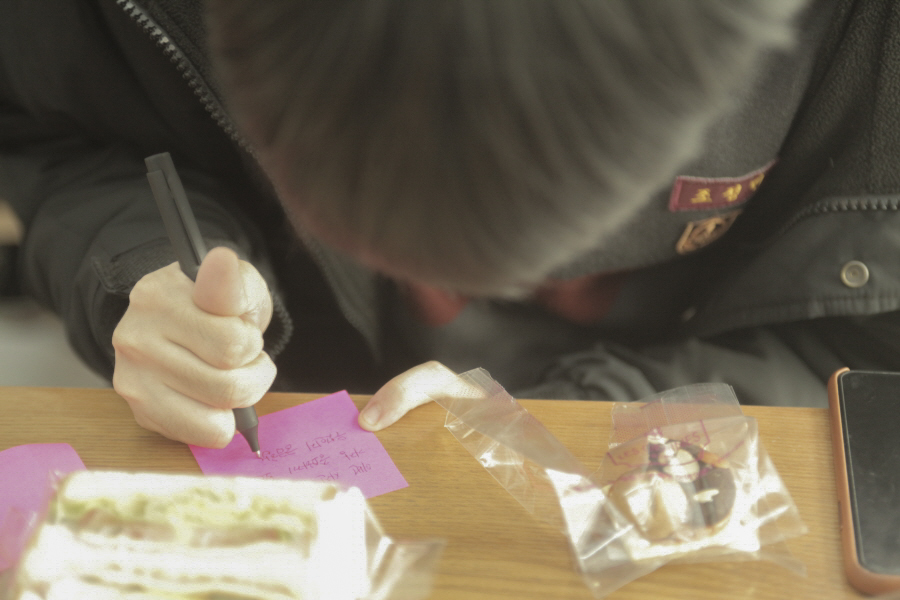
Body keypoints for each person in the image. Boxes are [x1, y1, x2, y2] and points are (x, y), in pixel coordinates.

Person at [2, 0, 900, 449]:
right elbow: (47, 141)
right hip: (301, 401)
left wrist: (581, 415)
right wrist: (139, 260)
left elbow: (870, 349)